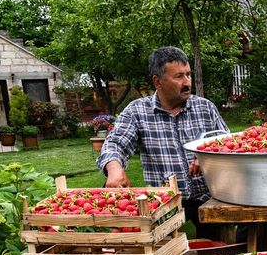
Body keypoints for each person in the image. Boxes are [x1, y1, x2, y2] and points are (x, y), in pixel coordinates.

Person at [96, 46, 231, 240]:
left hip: (207, 197)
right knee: (166, 253)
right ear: (157, 81)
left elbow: (226, 142)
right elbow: (115, 143)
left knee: (215, 248)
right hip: (164, 201)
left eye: (188, 75)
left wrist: (208, 157)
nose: (187, 82)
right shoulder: (137, 111)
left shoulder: (205, 107)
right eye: (178, 77)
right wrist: (114, 168)